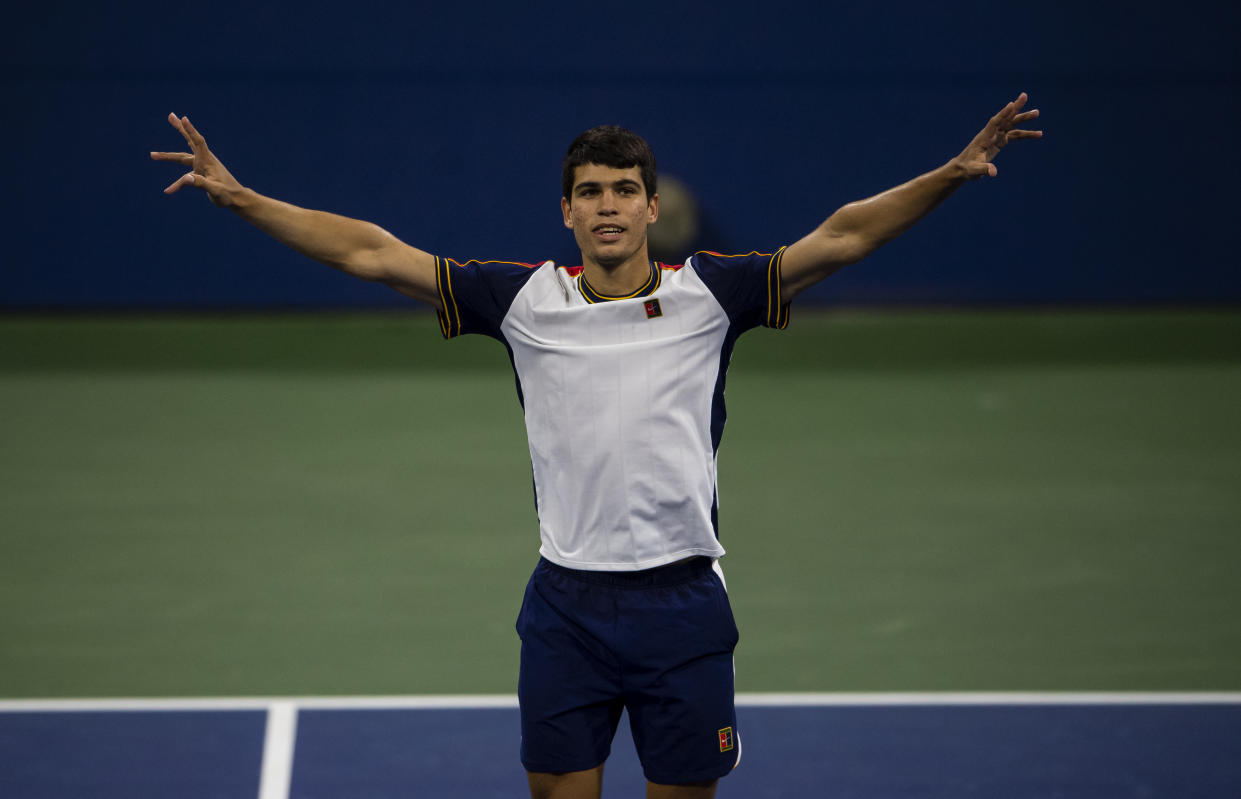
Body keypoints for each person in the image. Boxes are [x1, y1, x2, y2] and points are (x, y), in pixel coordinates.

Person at [152, 94, 1041, 799]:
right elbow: (372, 254)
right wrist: (244, 198)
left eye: (622, 190)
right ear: (567, 211)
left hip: (682, 602)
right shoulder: (523, 302)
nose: (607, 205)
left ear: (653, 207)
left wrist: (952, 173)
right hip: (567, 606)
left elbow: (844, 234)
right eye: (589, 191)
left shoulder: (713, 296)